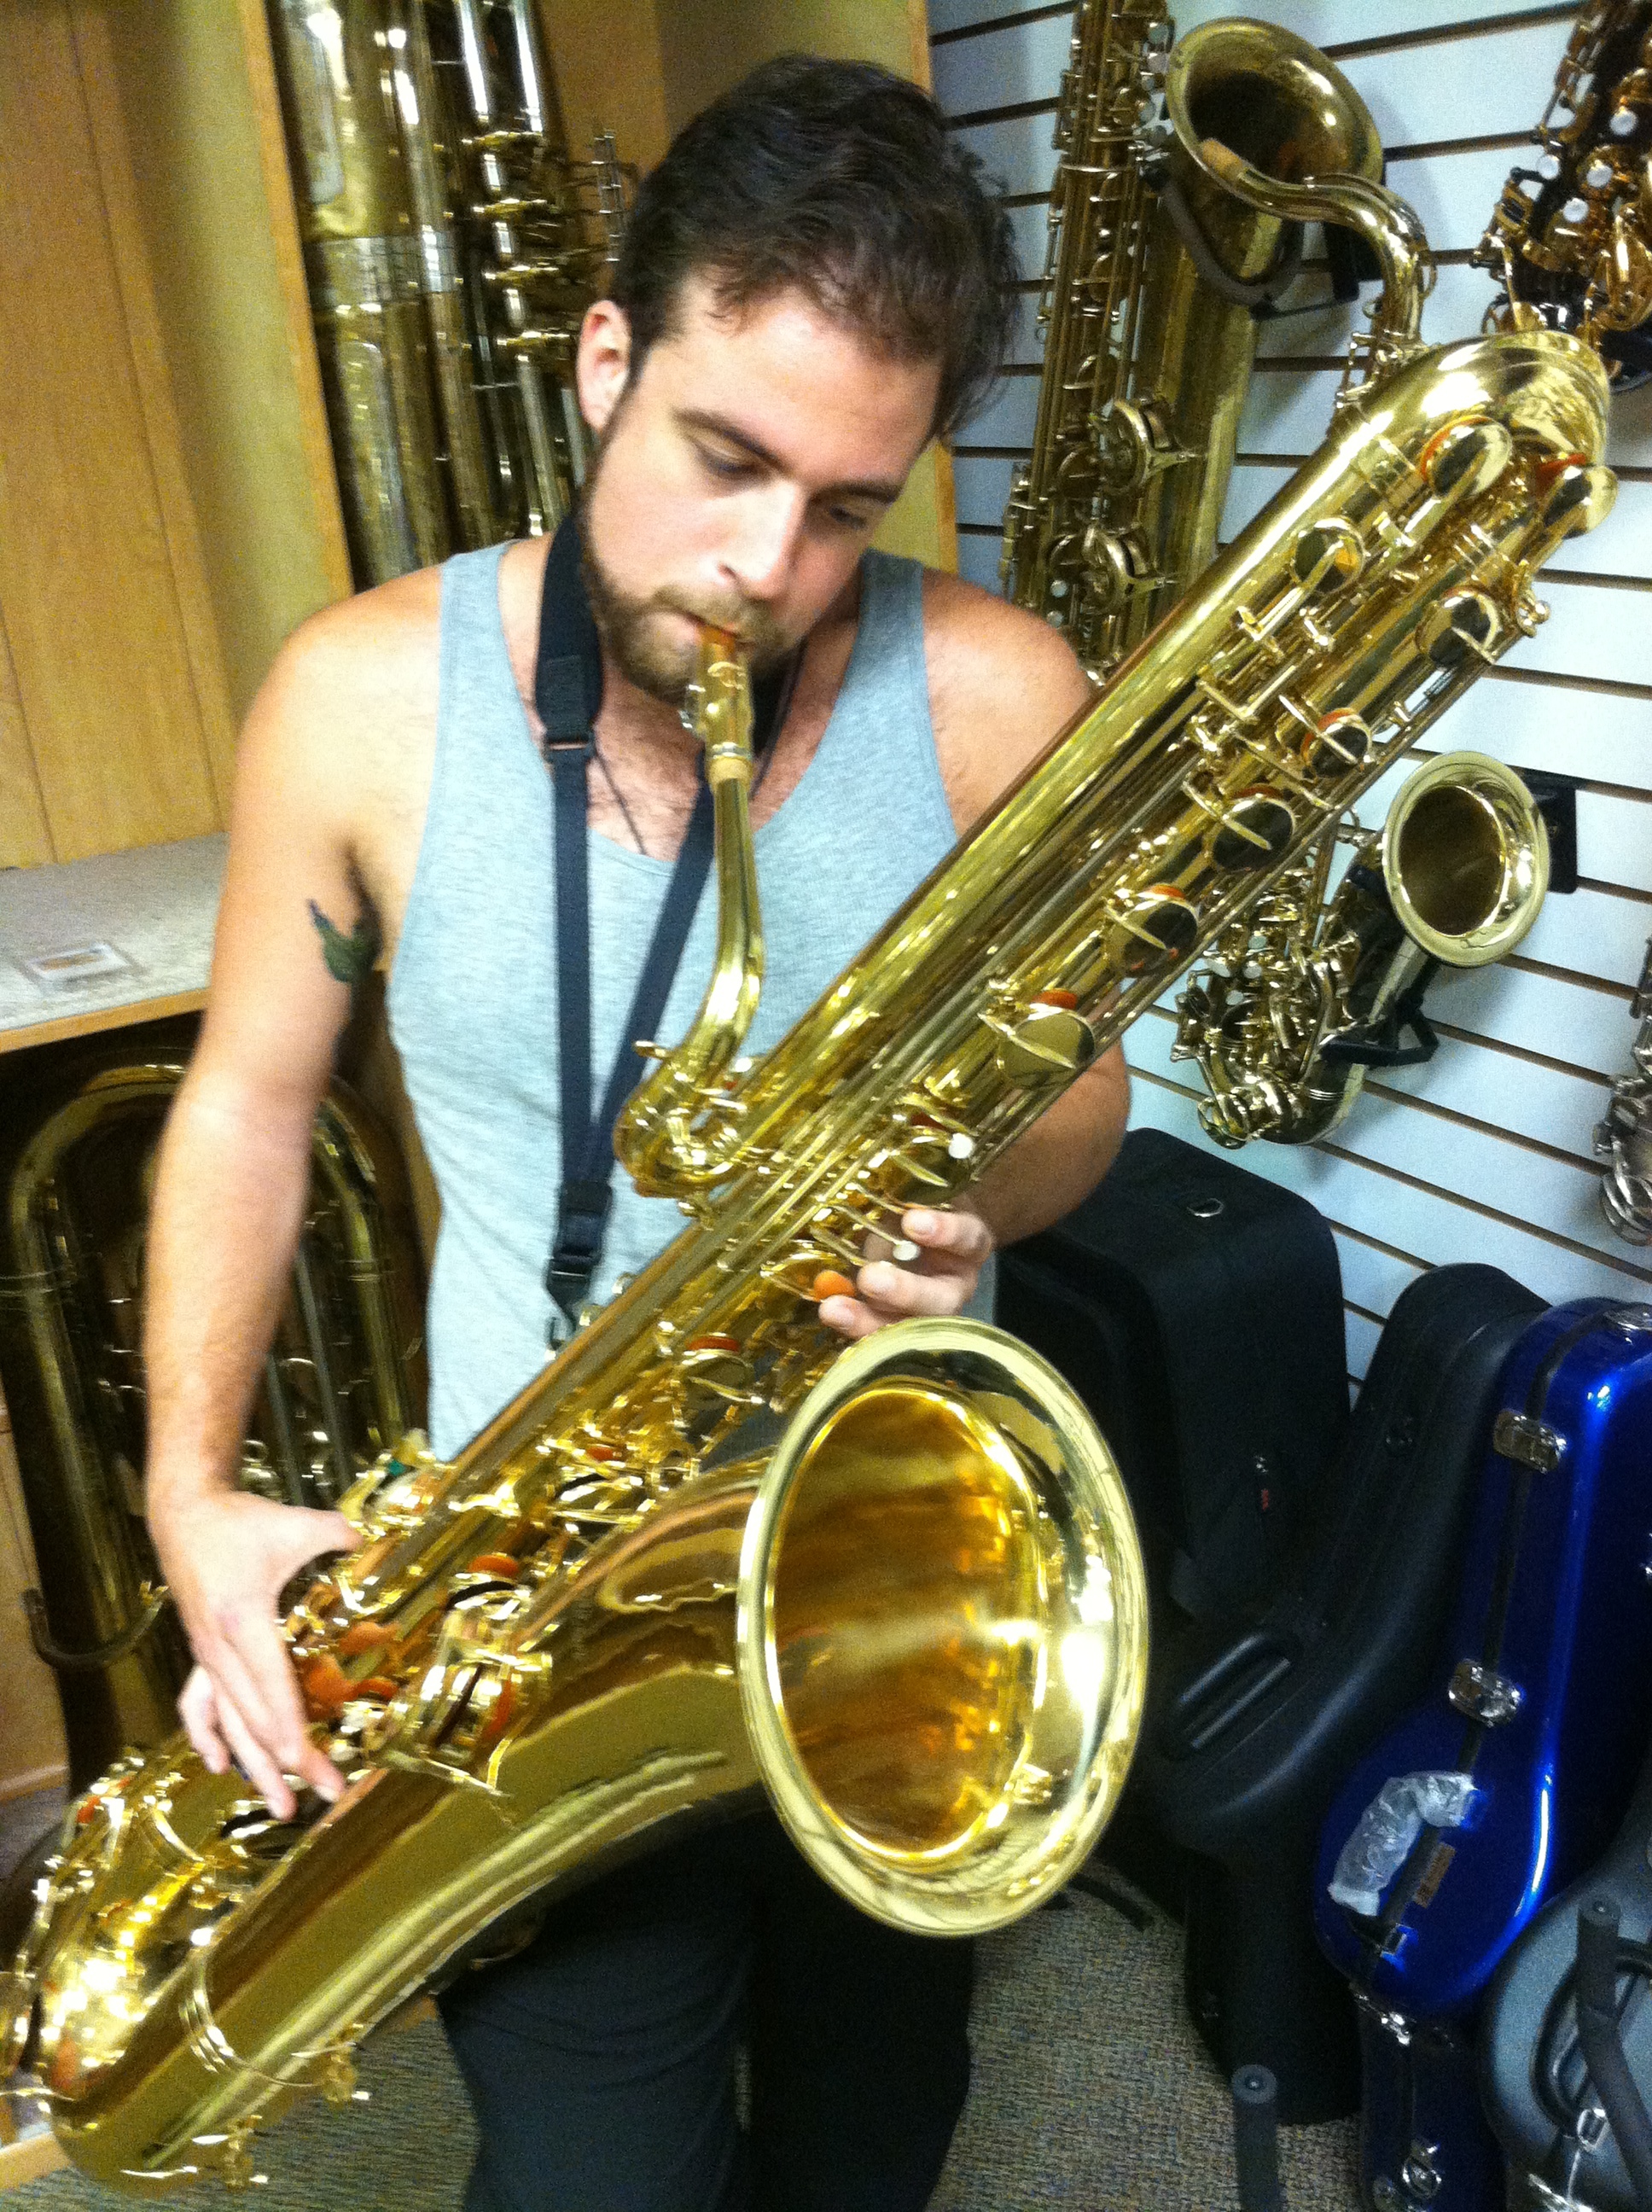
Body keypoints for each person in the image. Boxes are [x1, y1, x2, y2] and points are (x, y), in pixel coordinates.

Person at [143, 54, 1130, 2212]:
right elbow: (246, 1106)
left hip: (891, 1586)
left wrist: (969, 1201)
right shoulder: (357, 699)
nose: (766, 566)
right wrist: (190, 1496)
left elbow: (1081, 1117)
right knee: (595, 2179)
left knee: (874, 2136)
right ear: (607, 360)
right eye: (724, 458)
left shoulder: (995, 699)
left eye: (849, 507)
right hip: (539, 1606)